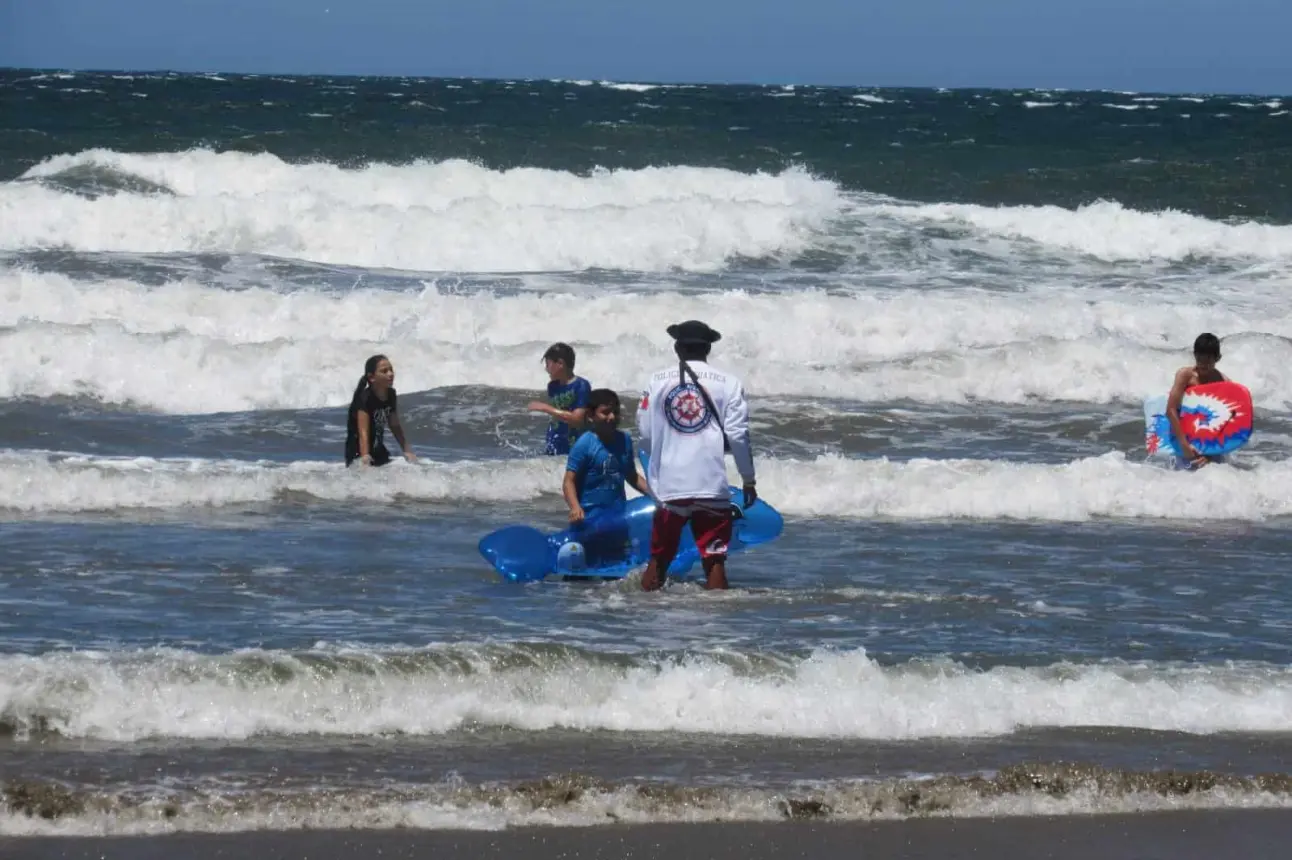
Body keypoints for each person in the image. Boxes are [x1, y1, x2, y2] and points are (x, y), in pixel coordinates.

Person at [636, 320, 756, 591]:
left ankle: (642, 619)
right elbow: (738, 436)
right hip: (709, 485)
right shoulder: (729, 383)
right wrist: (748, 479)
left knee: (660, 559)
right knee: (714, 561)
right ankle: (716, 628)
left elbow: (644, 432)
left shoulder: (655, 381)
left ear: (677, 347)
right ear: (708, 349)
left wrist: (658, 466)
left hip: (670, 486)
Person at [562, 389, 653, 569]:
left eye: (616, 412)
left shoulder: (624, 440)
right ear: (590, 416)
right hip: (588, 521)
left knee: (615, 574)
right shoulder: (585, 443)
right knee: (585, 576)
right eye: (605, 412)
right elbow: (568, 481)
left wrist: (655, 494)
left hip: (618, 519)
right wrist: (575, 508)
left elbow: (632, 476)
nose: (612, 417)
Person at [1167, 332, 1228, 470]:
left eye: (1208, 360)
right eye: (1200, 359)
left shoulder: (1222, 381)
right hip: (1184, 432)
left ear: (1218, 358)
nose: (1203, 365)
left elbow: (1226, 418)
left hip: (1209, 437)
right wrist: (1184, 444)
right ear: (1194, 355)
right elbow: (1170, 410)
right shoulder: (1185, 375)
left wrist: (1210, 453)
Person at [345, 354, 418, 467]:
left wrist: (407, 450)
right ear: (372, 377)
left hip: (378, 448)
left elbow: (395, 426)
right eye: (384, 371)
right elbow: (363, 432)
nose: (390, 374)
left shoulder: (391, 394)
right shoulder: (365, 399)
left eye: (391, 370)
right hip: (357, 451)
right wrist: (365, 459)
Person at [527, 342, 591, 455]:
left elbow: (577, 419)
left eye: (548, 364)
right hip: (554, 445)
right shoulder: (552, 386)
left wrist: (545, 408)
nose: (546, 369)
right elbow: (557, 417)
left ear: (560, 363)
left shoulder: (581, 385)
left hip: (574, 447)